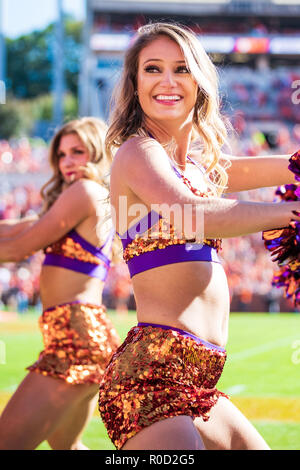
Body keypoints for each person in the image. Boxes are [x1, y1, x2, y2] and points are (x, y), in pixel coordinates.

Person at [98, 22, 300, 450]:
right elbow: (193, 214)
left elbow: (284, 165)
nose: (168, 81)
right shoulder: (138, 153)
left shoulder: (201, 169)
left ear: (200, 82)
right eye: (153, 69)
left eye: (182, 68)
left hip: (199, 384)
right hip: (152, 382)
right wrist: (292, 214)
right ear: (135, 85)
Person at [0, 117, 120, 450]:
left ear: (96, 154)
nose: (67, 161)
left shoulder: (85, 191)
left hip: (76, 339)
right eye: (62, 154)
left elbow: (18, 248)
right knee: (66, 447)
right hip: (83, 336)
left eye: (77, 152)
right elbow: (15, 230)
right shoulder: (86, 196)